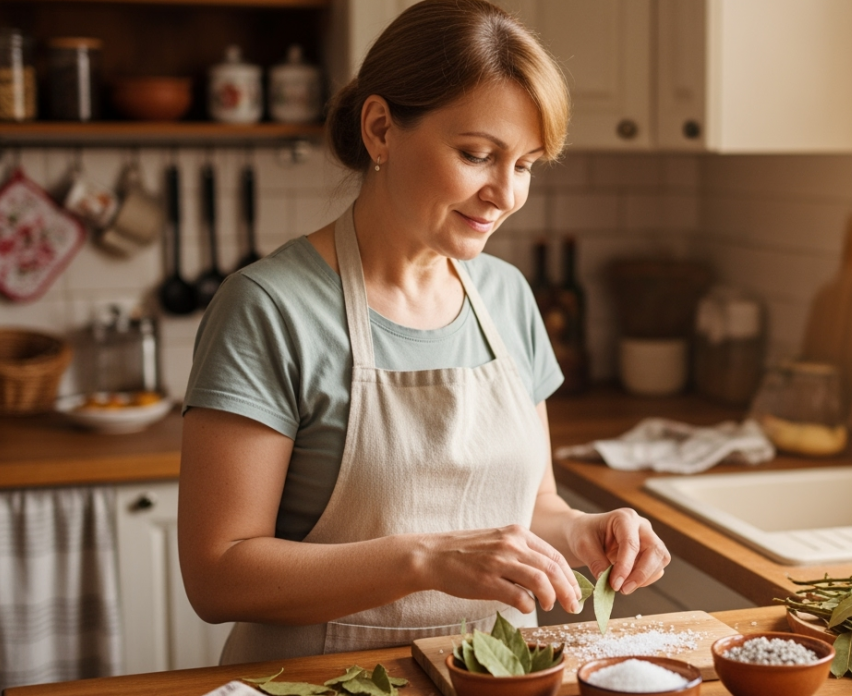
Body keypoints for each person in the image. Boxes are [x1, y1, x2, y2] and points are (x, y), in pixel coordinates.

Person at [176, 0, 671, 663]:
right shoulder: (269, 308)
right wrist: (427, 559)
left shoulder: (507, 297)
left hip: (491, 678)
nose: (506, 193)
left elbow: (534, 505)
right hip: (314, 681)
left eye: (524, 164)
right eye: (477, 154)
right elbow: (217, 575)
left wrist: (585, 532)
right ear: (380, 129)